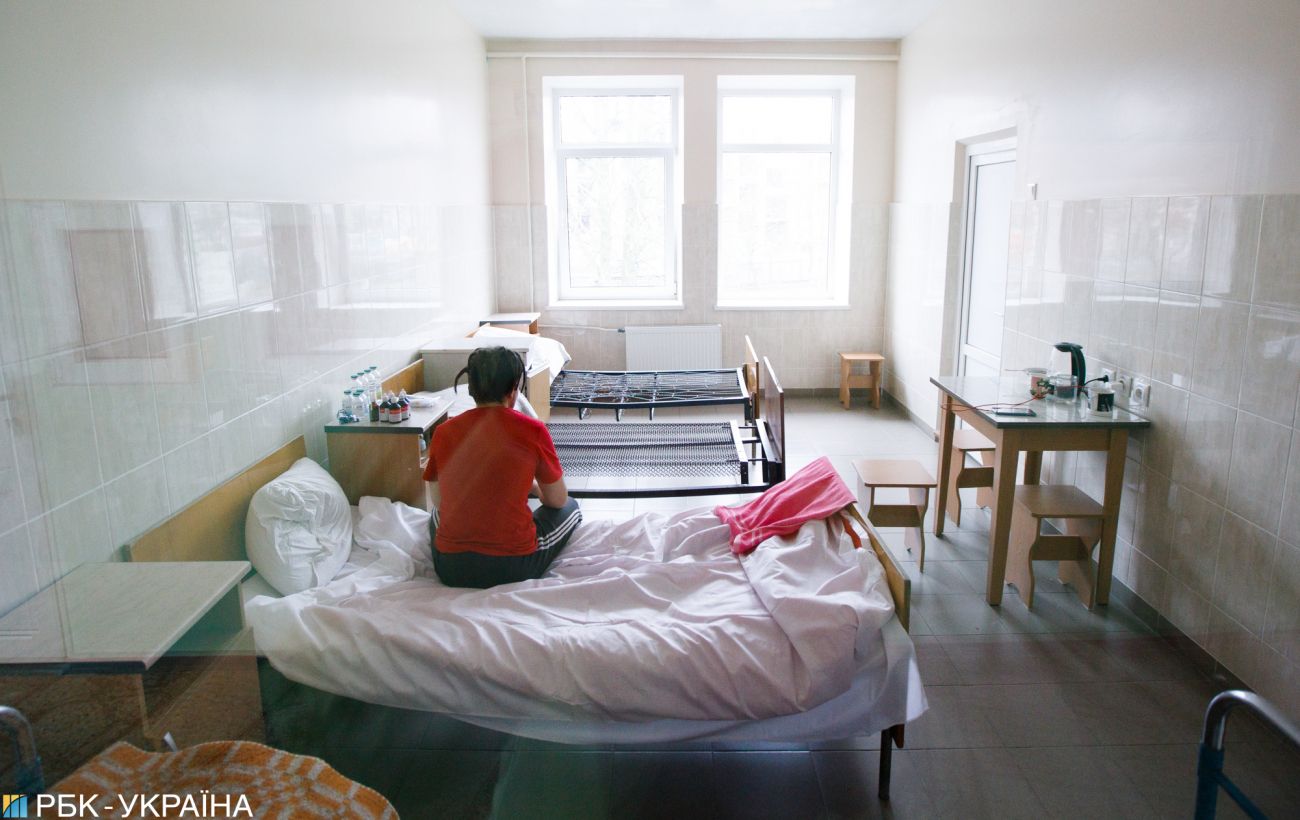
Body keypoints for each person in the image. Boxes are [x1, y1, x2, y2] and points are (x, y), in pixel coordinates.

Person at [424, 346, 582, 588]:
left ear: (471, 389)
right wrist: (534, 488)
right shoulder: (533, 430)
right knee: (571, 507)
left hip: (452, 568)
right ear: (513, 390)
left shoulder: (444, 432)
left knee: (436, 516)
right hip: (513, 566)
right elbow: (557, 500)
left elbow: (439, 501)